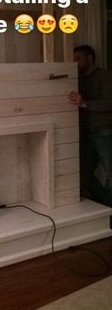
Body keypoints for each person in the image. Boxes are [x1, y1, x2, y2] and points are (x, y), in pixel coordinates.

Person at [68, 44, 112, 207]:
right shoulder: (76, 79)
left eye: (78, 58)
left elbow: (109, 103)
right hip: (85, 133)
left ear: (90, 58)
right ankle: (103, 208)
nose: (75, 62)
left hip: (105, 131)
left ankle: (109, 215)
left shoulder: (105, 76)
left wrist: (85, 103)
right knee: (83, 176)